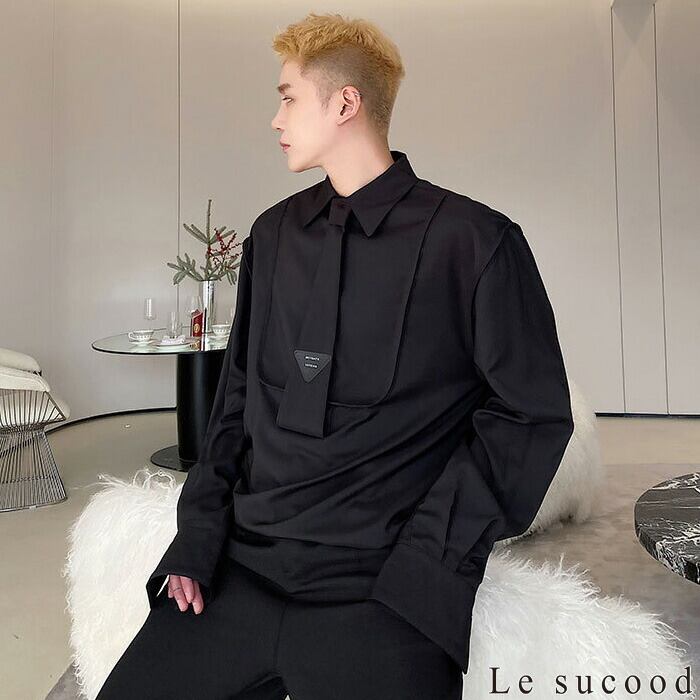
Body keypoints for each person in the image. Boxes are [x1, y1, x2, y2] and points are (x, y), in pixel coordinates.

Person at [97, 11, 574, 700]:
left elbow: (531, 415)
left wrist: (430, 563)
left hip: (383, 591)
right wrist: (197, 537)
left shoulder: (475, 242)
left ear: (345, 103)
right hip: (238, 573)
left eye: (288, 97)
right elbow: (236, 400)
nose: (275, 119)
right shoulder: (272, 236)